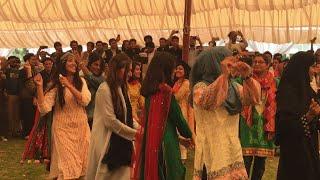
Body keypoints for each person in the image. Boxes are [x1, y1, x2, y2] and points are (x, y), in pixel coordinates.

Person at [190, 47, 261, 179]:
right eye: (227, 62)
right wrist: (224, 75)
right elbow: (210, 101)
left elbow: (253, 99)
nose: (232, 65)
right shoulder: (200, 87)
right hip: (210, 152)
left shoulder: (233, 86)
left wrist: (247, 76)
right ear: (214, 64)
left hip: (231, 151)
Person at [133, 52, 193, 180]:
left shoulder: (149, 92)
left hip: (150, 143)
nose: (173, 71)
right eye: (172, 68)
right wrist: (189, 134)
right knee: (172, 174)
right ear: (166, 69)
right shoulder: (166, 92)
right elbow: (179, 120)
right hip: (167, 145)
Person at [34, 52, 91, 179]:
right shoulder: (55, 84)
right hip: (62, 130)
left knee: (83, 168)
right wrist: (39, 87)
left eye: (75, 61)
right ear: (63, 64)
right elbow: (44, 108)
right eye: (70, 61)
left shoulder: (81, 82)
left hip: (81, 129)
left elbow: (85, 100)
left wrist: (69, 85)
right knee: (67, 168)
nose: (74, 64)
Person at [86, 53, 137, 180]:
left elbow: (128, 117)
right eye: (127, 70)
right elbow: (110, 121)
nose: (129, 74)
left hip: (123, 143)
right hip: (108, 144)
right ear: (117, 69)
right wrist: (135, 134)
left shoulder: (123, 88)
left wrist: (140, 129)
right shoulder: (104, 89)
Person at [276, 51, 320, 180]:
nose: (314, 71)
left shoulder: (308, 91)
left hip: (309, 150)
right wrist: (309, 116)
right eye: (312, 67)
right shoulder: (287, 93)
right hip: (294, 155)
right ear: (302, 68)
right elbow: (285, 128)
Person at [240, 54, 276, 180]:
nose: (256, 64)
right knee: (245, 161)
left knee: (260, 164)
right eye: (254, 62)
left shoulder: (274, 82)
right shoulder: (245, 80)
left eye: (260, 62)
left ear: (267, 65)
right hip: (247, 124)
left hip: (265, 124)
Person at [172, 61, 194, 163]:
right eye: (177, 68)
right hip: (177, 110)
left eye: (180, 69)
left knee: (181, 133)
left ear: (185, 71)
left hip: (183, 110)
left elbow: (177, 96)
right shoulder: (176, 83)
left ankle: (183, 157)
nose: (178, 70)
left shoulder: (186, 83)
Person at [78, 52, 105, 129]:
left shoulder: (101, 79)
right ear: (89, 65)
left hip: (97, 118)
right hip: (83, 118)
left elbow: (97, 82)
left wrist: (82, 66)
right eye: (95, 64)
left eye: (100, 65)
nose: (98, 67)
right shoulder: (81, 78)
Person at [2, 56, 21, 137]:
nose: (15, 63)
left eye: (16, 61)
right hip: (9, 95)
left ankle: (16, 131)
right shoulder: (7, 71)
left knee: (17, 115)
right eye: (13, 61)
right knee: (10, 114)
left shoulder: (20, 72)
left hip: (18, 95)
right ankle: (10, 131)